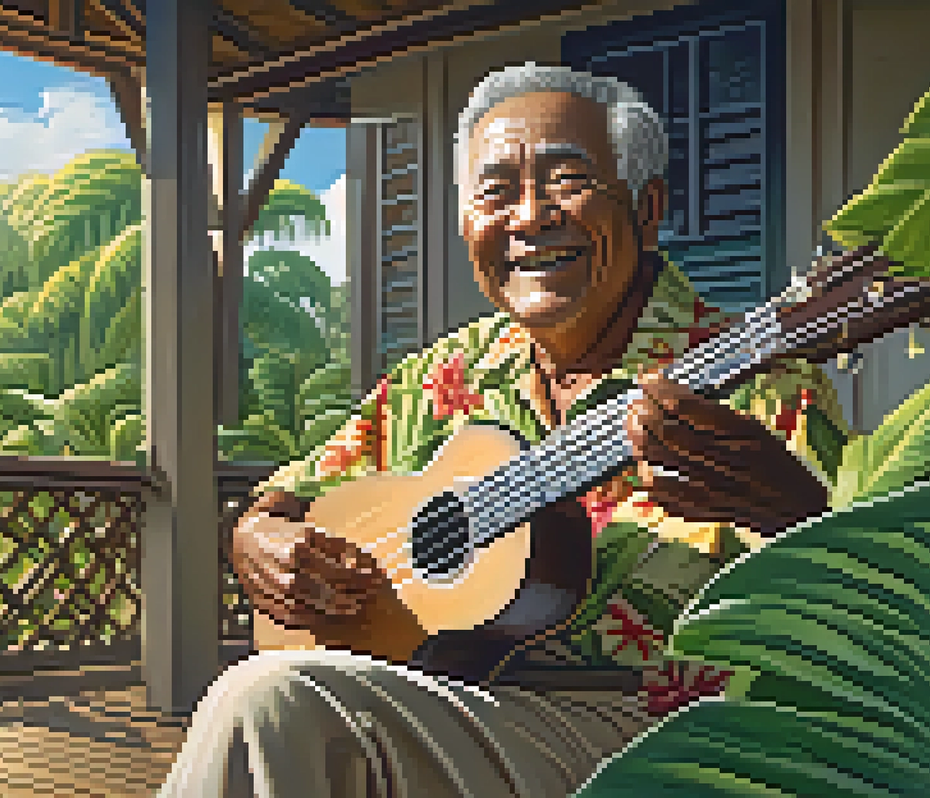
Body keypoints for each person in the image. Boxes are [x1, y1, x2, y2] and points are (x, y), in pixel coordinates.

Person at [159, 63, 847, 798]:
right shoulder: (442, 376)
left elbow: (871, 623)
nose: (527, 217)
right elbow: (285, 498)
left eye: (565, 181)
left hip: (658, 740)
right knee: (276, 698)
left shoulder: (758, 389)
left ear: (647, 210)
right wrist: (254, 540)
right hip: (448, 702)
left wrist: (790, 513)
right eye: (495, 192)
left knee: (270, 700)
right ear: (465, 225)